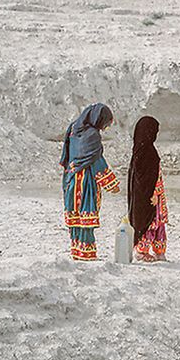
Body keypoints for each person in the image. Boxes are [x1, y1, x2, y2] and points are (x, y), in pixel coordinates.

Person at [60, 103, 120, 261]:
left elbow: (67, 155)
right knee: (86, 212)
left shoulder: (73, 128)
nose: (105, 127)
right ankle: (86, 252)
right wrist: (111, 183)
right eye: (105, 123)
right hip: (86, 180)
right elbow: (95, 160)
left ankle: (76, 250)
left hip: (71, 179)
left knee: (75, 215)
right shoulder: (92, 134)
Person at [127, 116, 168, 262]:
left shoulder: (142, 149)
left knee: (158, 223)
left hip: (154, 195)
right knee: (150, 222)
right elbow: (143, 179)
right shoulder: (145, 151)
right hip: (149, 197)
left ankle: (159, 251)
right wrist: (152, 193)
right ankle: (141, 250)